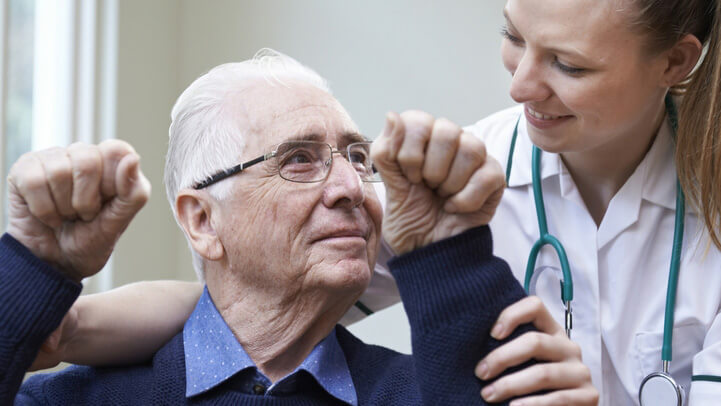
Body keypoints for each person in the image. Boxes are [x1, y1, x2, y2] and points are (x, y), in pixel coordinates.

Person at [30, 0, 721, 404]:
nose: (518, 87)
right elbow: (264, 294)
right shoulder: (464, 178)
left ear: (674, 62)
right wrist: (62, 323)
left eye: (567, 65)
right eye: (512, 37)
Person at [0, 51, 593, 405]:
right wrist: (32, 269)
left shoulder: (420, 394)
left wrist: (447, 252)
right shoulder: (75, 399)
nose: (351, 187)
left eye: (358, 158)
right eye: (298, 160)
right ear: (203, 220)